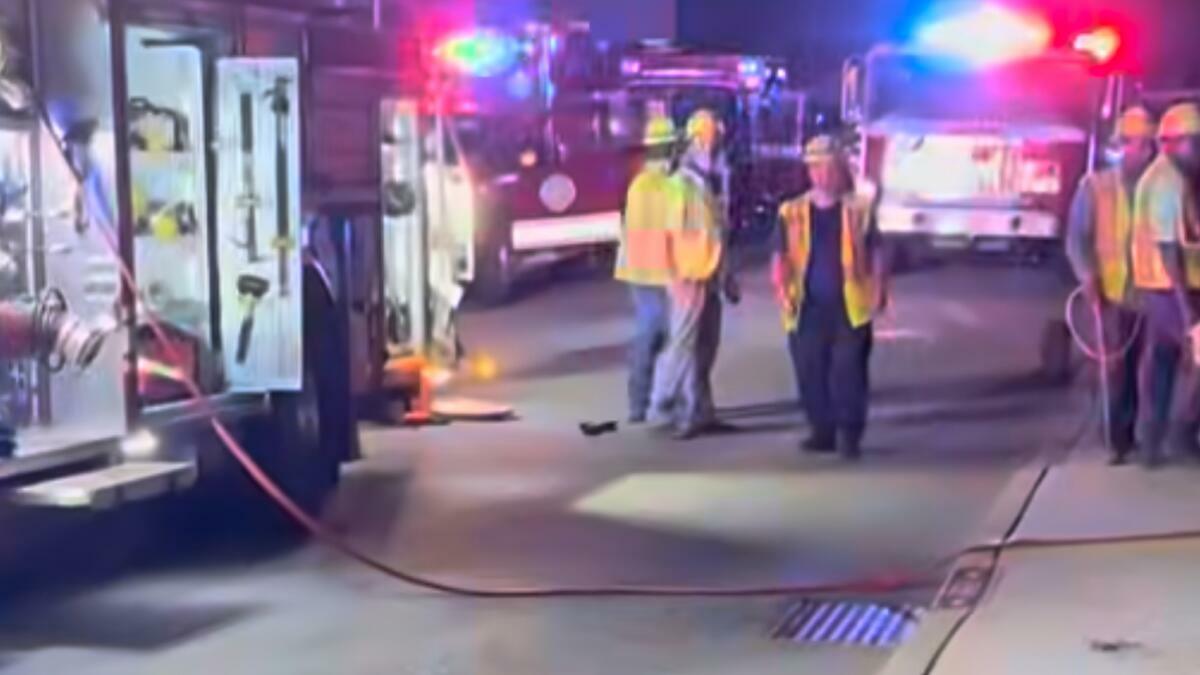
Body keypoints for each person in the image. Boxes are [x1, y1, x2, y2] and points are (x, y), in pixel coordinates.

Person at [772, 135, 886, 460]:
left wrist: (880, 288)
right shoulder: (791, 211)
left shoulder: (859, 209)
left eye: (827, 168)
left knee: (849, 373)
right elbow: (779, 255)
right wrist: (781, 290)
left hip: (851, 305)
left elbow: (876, 251)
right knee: (810, 372)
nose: (821, 175)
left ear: (839, 169)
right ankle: (822, 432)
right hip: (806, 305)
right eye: (814, 168)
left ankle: (849, 435)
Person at [1065, 106, 1157, 465]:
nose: (1144, 152)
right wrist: (1087, 276)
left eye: (1148, 145)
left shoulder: (1158, 187)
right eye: (1138, 144)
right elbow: (1077, 239)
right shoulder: (1096, 187)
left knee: (1145, 372)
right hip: (1110, 295)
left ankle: (1136, 435)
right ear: (1123, 145)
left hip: (1151, 294)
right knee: (1113, 371)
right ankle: (1114, 440)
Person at [648, 118, 727, 440]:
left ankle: (700, 411)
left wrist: (726, 275)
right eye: (710, 143)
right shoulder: (679, 186)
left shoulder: (706, 183)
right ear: (694, 143)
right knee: (683, 344)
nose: (715, 149)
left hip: (707, 274)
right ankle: (661, 402)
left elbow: (716, 234)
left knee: (704, 346)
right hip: (687, 277)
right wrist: (673, 277)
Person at [1131, 102, 1200, 467]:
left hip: (1163, 290)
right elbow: (1169, 249)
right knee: (1192, 356)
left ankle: (1153, 441)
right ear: (1172, 142)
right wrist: (1189, 315)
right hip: (1169, 291)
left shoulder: (1173, 178)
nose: (1198, 150)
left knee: (1160, 363)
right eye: (1194, 142)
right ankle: (1181, 434)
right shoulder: (1167, 181)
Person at [614, 115, 681, 423]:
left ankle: (643, 402)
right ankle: (645, 401)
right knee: (658, 335)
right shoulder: (663, 185)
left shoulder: (642, 183)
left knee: (652, 334)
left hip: (640, 271)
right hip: (656, 272)